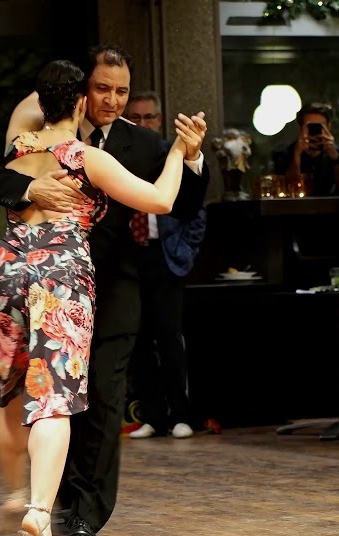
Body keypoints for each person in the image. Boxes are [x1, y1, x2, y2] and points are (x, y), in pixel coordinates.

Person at [0, 44, 210, 536]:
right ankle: (41, 508)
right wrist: (32, 189)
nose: (114, 100)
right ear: (82, 94)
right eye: (103, 89)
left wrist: (188, 156)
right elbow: (162, 201)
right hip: (62, 278)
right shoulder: (71, 147)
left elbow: (184, 202)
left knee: (63, 397)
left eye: (123, 91)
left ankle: (57, 505)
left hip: (46, 273)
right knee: (49, 400)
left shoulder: (35, 140)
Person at [123, 93, 207, 440]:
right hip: (129, 256)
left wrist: (185, 252)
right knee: (138, 340)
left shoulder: (168, 155)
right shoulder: (120, 157)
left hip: (166, 256)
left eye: (148, 118)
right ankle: (153, 417)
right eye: (136, 118)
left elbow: (197, 210)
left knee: (170, 338)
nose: (142, 124)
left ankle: (181, 415)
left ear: (159, 120)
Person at [273, 102, 339, 196]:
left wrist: (335, 157)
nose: (314, 132)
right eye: (310, 127)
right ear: (301, 128)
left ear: (328, 127)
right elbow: (287, 188)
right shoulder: (285, 154)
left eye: (319, 126)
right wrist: (297, 155)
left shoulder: (338, 153)